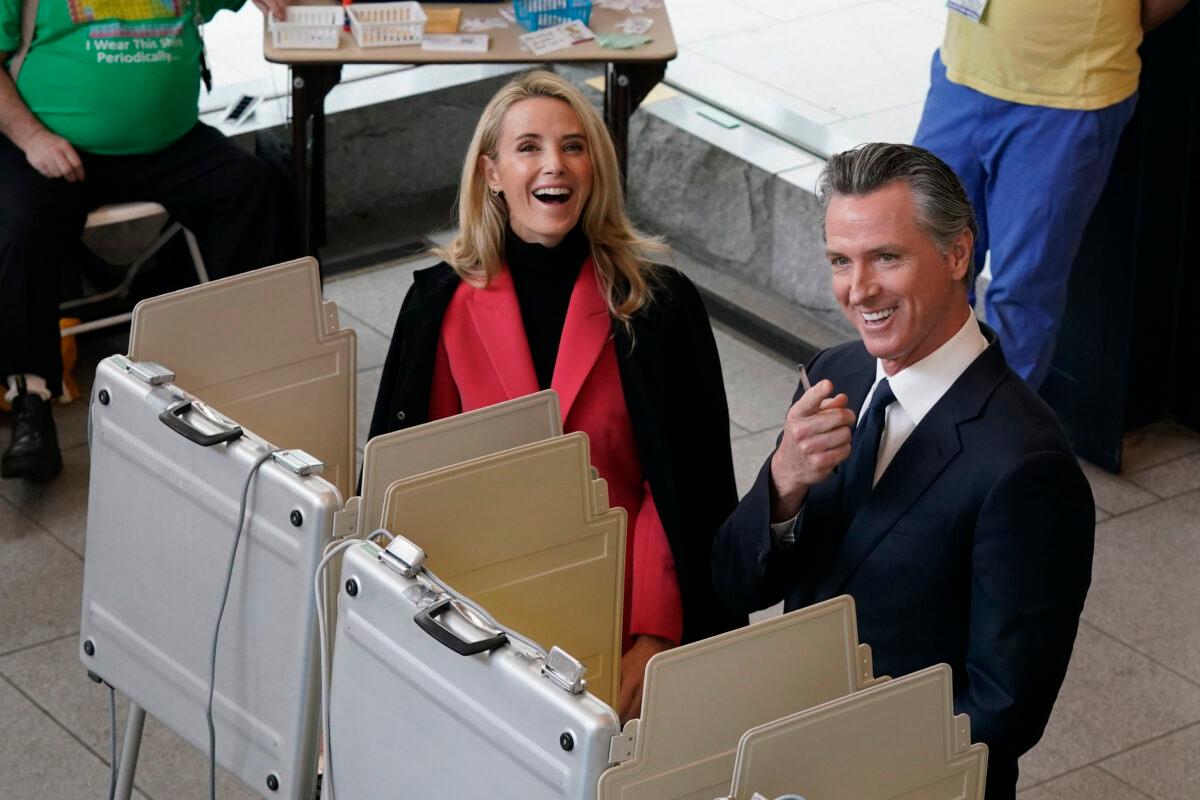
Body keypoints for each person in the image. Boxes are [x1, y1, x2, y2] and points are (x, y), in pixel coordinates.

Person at [712, 143, 1095, 800]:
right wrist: (782, 481)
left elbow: (1006, 709)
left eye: (886, 257)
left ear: (956, 254)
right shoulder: (837, 371)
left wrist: (847, 770)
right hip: (786, 754)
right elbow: (734, 582)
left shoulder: (1028, 465)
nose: (858, 291)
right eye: (841, 261)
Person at [368, 70, 745, 721]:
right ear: (492, 172)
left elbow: (683, 484)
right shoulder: (437, 306)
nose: (555, 165)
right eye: (529, 147)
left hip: (624, 605)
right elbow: (415, 487)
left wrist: (652, 637)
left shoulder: (658, 306)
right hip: (476, 612)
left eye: (574, 146)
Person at [0, 0, 296, 481]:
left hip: (169, 143)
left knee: (253, 190)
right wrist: (32, 138)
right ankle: (29, 401)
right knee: (19, 227)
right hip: (51, 141)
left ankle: (254, 371)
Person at [912, 0, 1191, 389]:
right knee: (924, 264)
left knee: (1021, 292)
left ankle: (996, 441)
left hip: (1068, 94)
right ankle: (917, 417)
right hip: (962, 69)